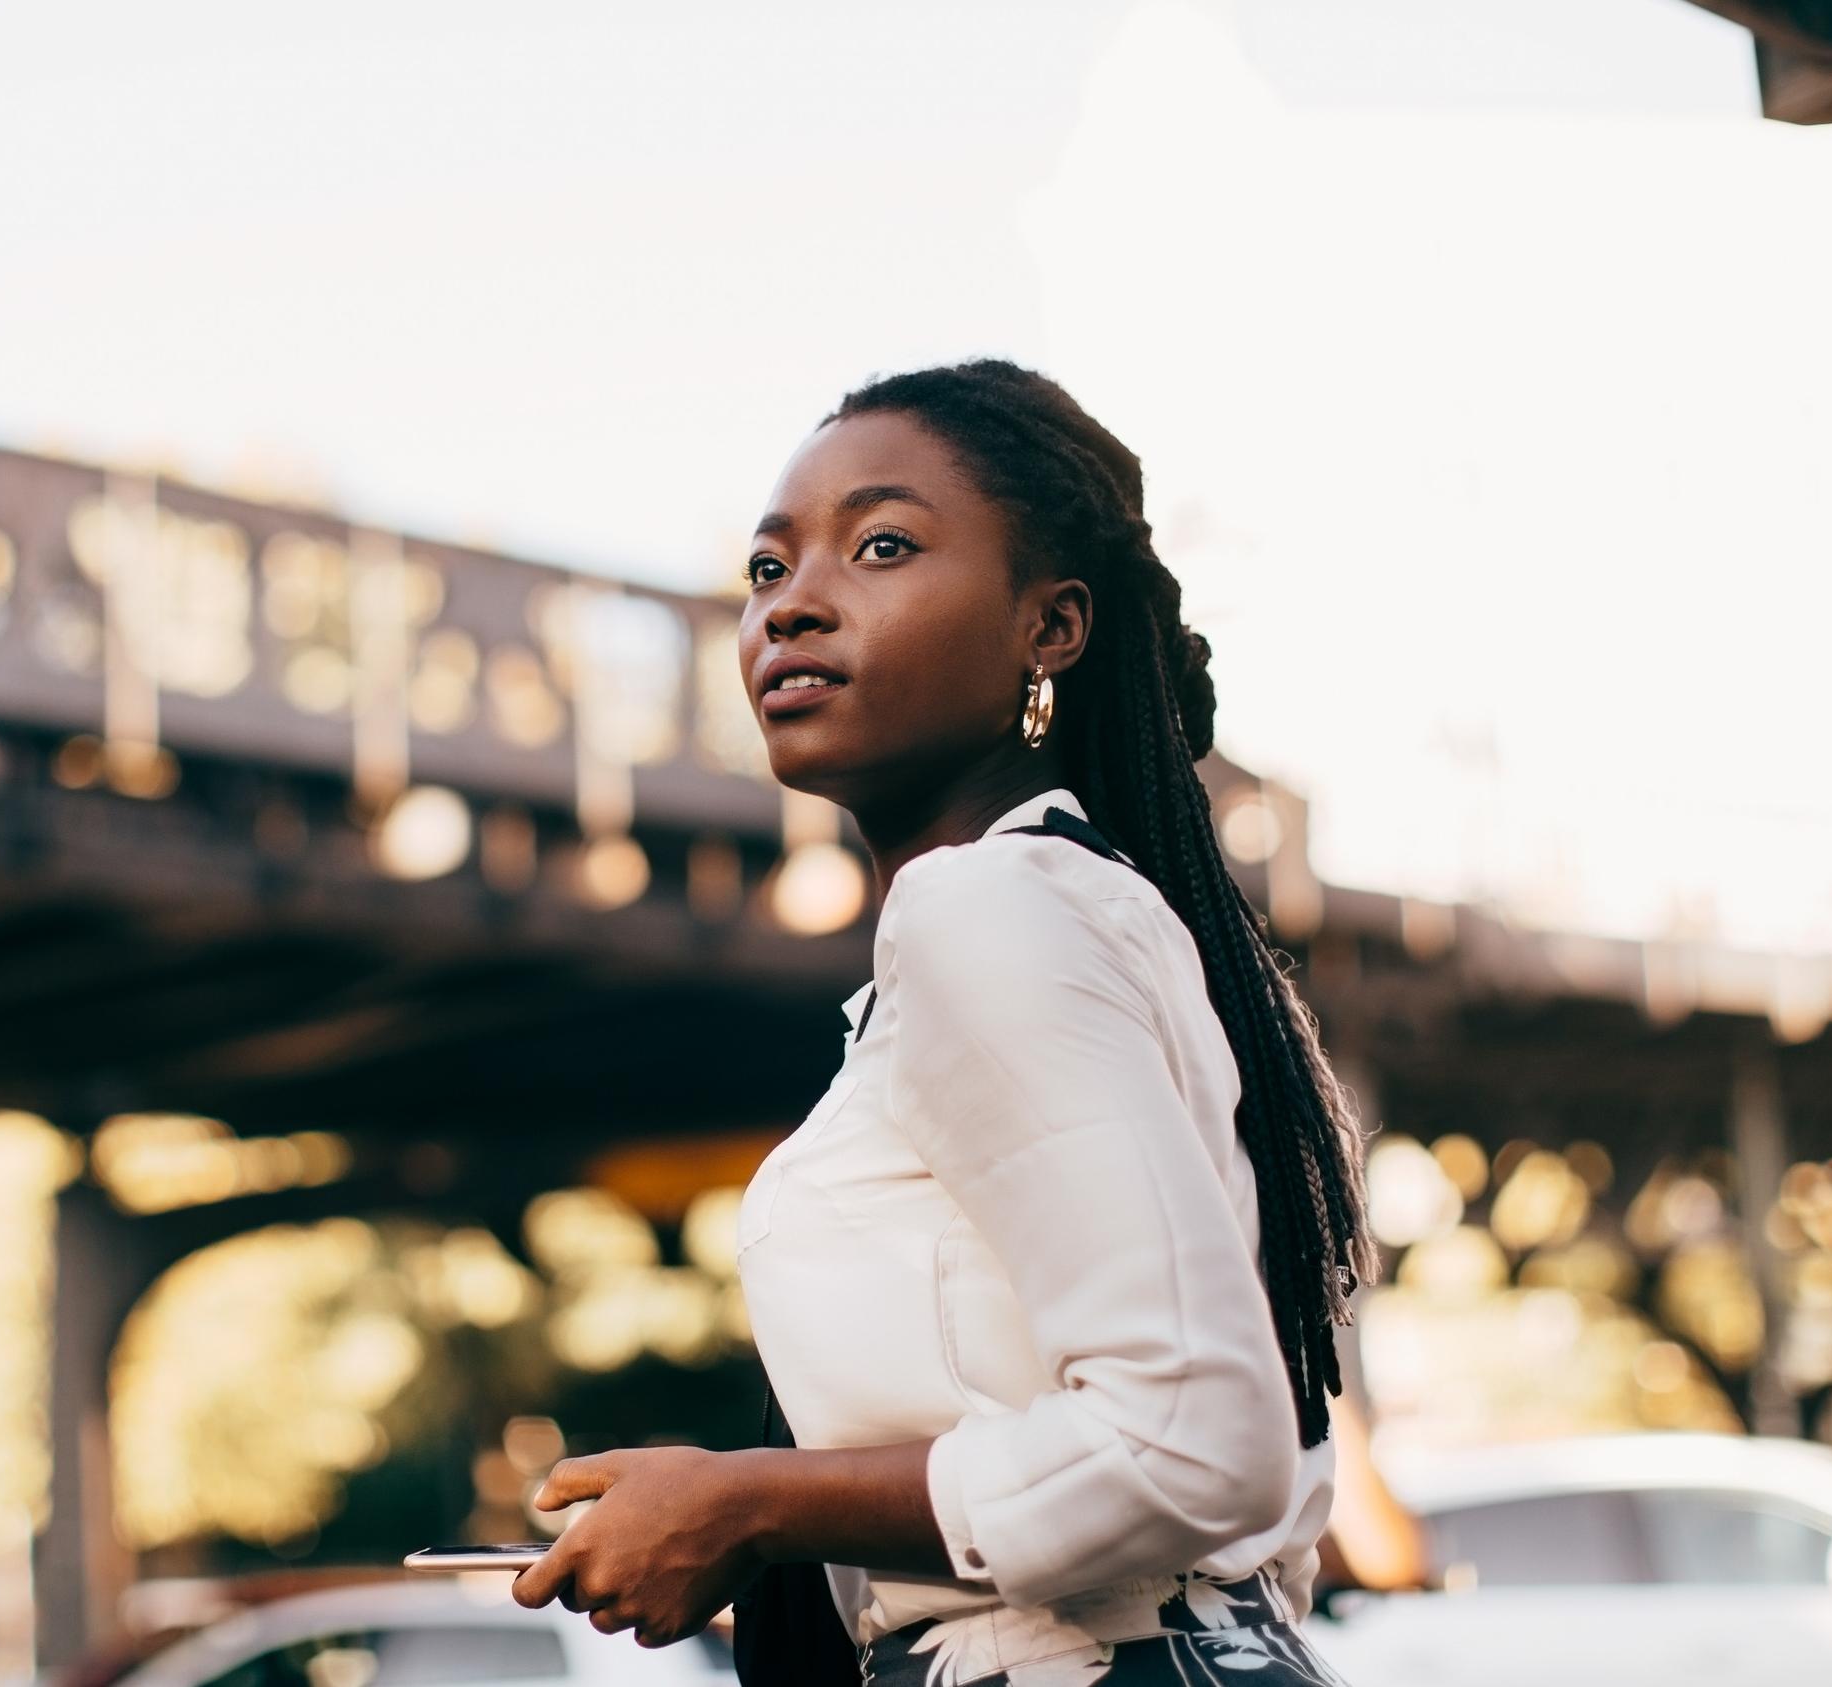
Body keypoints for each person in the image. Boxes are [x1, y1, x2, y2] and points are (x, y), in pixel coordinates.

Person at [509, 361, 1373, 1686]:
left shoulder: (987, 911)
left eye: (884, 547)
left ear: (1052, 629)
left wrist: (752, 1501)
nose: (794, 603)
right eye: (765, 570)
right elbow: (1251, 1507)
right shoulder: (1090, 911)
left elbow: (1199, 1439)